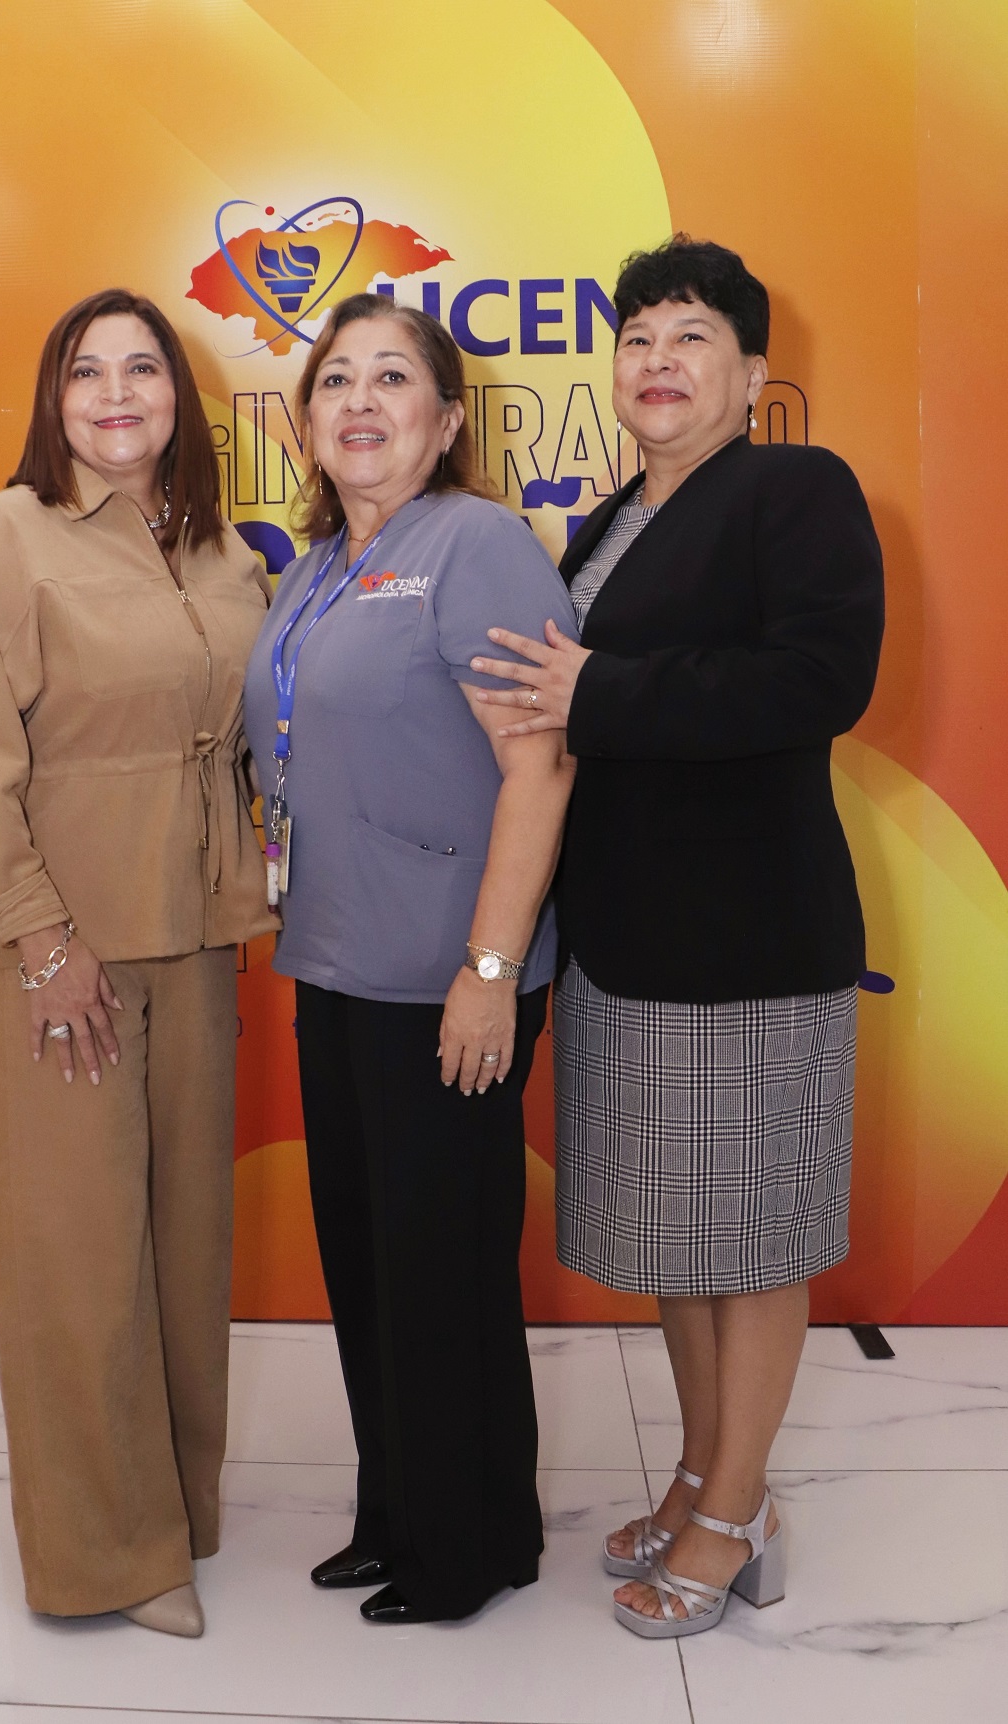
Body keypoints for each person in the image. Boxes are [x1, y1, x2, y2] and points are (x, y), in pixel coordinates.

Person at [469, 236, 884, 1638]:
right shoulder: (604, 522)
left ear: (753, 374)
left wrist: (599, 692)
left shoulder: (793, 490)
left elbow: (819, 680)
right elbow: (570, 707)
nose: (658, 359)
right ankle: (707, 1474)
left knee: (751, 1241)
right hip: (626, 942)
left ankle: (733, 1513)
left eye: (691, 335)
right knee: (683, 1239)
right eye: (638, 336)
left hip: (745, 941)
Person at [0, 288, 277, 1635]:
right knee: (76, 1258)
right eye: (87, 372)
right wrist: (41, 940)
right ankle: (103, 1558)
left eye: (143, 368)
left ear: (180, 396)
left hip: (194, 938)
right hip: (61, 949)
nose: (117, 394)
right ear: (53, 399)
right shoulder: (7, 538)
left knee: (183, 1245)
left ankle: (174, 1509)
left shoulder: (221, 552)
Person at [243, 293, 576, 1624]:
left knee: (443, 1268)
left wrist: (489, 971)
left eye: (393, 379)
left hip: (446, 976)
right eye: (337, 381)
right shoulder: (315, 567)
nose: (362, 402)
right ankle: (398, 1513)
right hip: (335, 964)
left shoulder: (475, 544)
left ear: (444, 423)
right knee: (371, 1260)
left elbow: (540, 767)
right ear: (307, 423)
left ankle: (468, 1544)